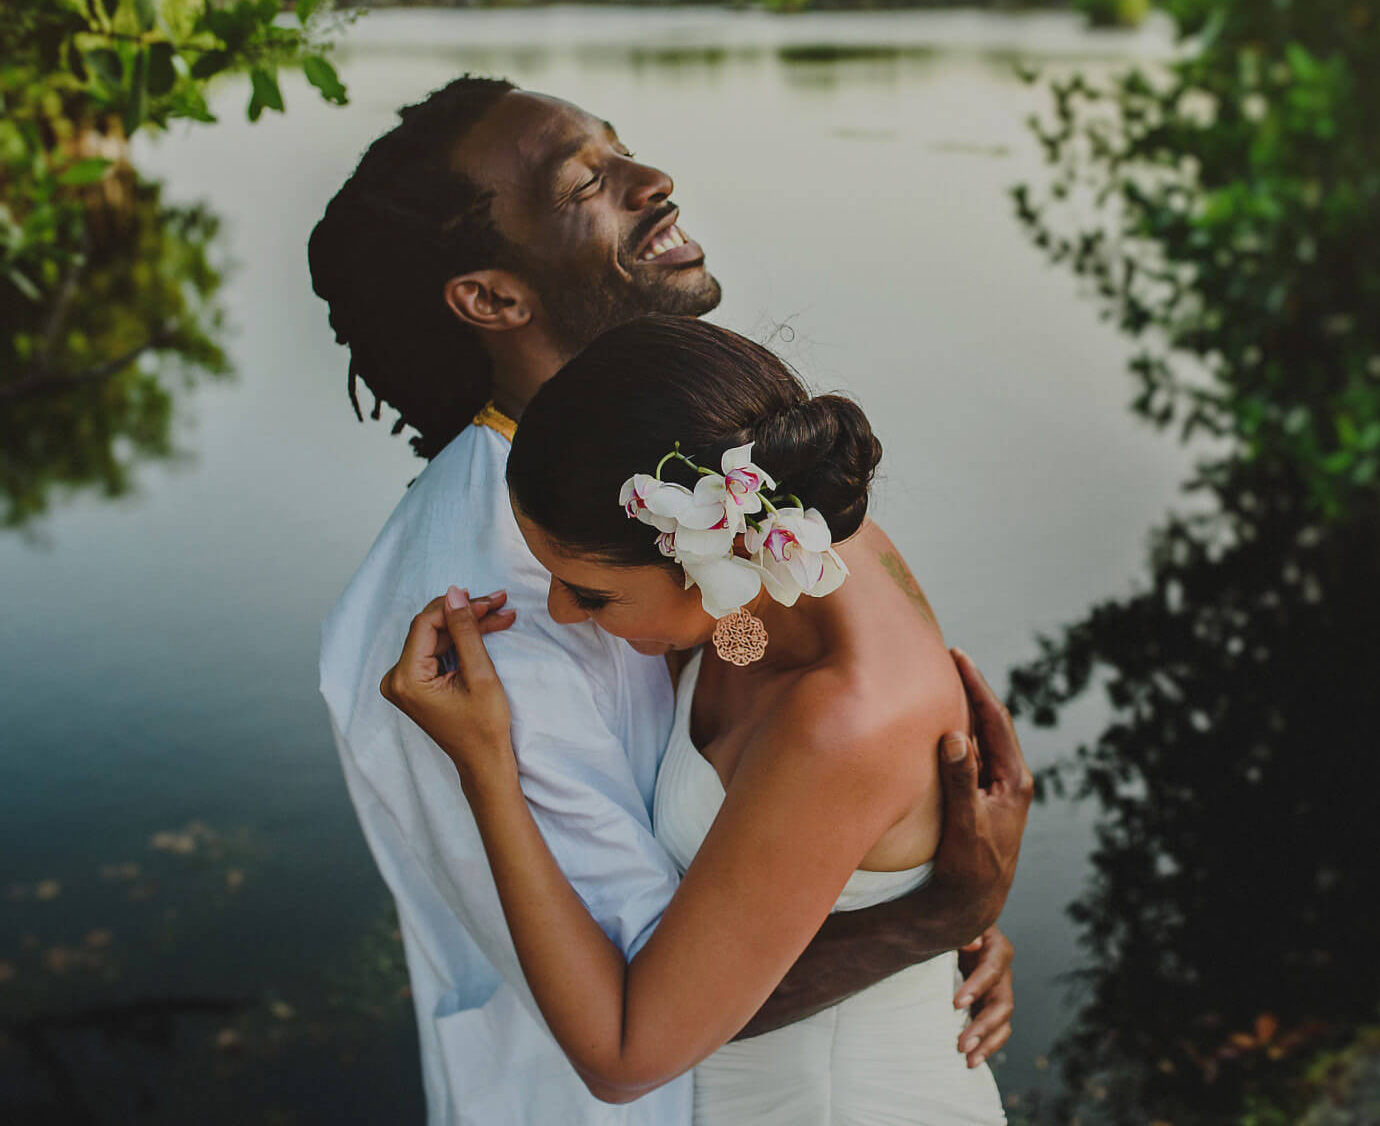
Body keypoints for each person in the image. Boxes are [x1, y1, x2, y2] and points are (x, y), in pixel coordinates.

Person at [311, 76, 1029, 1124]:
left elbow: (844, 797)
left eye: (621, 148)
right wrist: (924, 915)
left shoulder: (724, 505)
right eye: (584, 183)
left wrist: (917, 900)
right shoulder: (483, 606)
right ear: (492, 299)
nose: (654, 180)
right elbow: (640, 998)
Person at [383, 317, 1021, 1122]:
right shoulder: (789, 547)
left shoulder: (839, 723)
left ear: (708, 552)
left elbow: (624, 1057)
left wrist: (485, 766)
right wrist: (933, 918)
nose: (561, 612)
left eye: (591, 594)